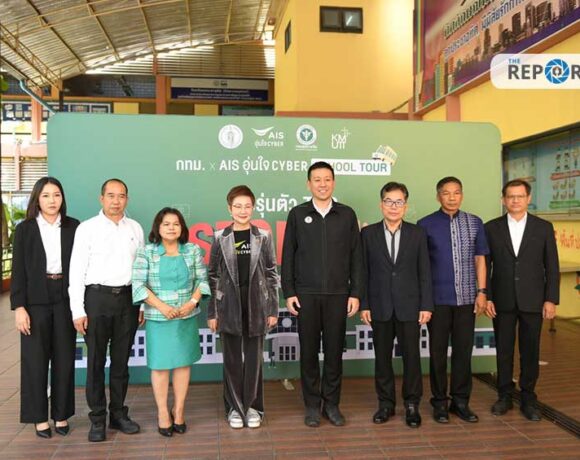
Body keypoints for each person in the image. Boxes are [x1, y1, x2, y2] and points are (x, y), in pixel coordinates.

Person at [281, 161, 363, 427]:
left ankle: (332, 405)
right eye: (317, 179)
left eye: (327, 179)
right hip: (306, 295)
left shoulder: (346, 215)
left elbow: (356, 256)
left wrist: (355, 292)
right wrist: (289, 291)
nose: (322, 184)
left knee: (334, 353)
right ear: (309, 184)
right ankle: (312, 406)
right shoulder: (298, 214)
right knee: (308, 353)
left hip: (338, 295)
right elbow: (288, 255)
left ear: (334, 182)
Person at [68, 178, 145, 442]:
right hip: (96, 299)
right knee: (96, 362)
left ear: (127, 199)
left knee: (121, 363)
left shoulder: (135, 228)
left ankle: (119, 414)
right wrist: (77, 310)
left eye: (121, 196)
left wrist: (142, 303)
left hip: (128, 300)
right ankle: (97, 419)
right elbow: (76, 270)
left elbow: (141, 269)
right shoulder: (87, 229)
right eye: (111, 195)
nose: (116, 201)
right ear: (101, 198)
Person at [10, 177, 79, 438]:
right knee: (35, 360)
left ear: (63, 198)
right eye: (46, 195)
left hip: (65, 297)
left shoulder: (74, 226)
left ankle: (61, 415)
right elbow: (18, 270)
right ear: (37, 199)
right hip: (35, 299)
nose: (52, 200)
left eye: (57, 195)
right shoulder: (25, 229)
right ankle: (38, 417)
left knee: (64, 357)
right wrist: (19, 307)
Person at [485, 179, 559, 421]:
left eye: (520, 196)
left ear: (528, 198)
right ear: (503, 200)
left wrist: (550, 299)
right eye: (510, 196)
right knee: (504, 351)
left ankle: (528, 397)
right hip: (502, 300)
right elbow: (486, 265)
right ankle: (504, 395)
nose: (515, 200)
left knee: (530, 351)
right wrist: (487, 297)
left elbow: (552, 266)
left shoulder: (543, 227)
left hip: (533, 300)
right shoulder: (491, 228)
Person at [360, 182, 433, 428]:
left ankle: (412, 404)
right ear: (381, 204)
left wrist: (426, 305)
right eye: (389, 201)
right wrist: (365, 304)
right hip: (379, 306)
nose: (394, 206)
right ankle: (385, 404)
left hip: (410, 306)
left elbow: (424, 271)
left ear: (405, 206)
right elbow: (363, 272)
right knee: (382, 359)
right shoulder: (368, 234)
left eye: (398, 202)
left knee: (412, 358)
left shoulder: (417, 233)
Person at [132, 207, 210, 436]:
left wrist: (192, 303)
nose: (171, 228)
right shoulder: (146, 252)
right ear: (158, 227)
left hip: (186, 316)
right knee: (160, 366)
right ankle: (162, 413)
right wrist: (162, 307)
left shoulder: (192, 250)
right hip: (158, 317)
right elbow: (138, 285)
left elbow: (203, 280)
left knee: (183, 364)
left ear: (182, 228)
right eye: (166, 224)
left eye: (176, 224)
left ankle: (179, 410)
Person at [417, 177, 488, 424]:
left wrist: (482, 291)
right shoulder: (425, 224)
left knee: (463, 353)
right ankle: (439, 402)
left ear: (462, 195)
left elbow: (480, 259)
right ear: (438, 196)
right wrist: (424, 301)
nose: (451, 197)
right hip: (437, 301)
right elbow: (421, 266)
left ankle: (461, 402)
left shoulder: (475, 222)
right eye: (446, 193)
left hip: (467, 300)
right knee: (437, 354)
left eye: (456, 192)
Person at [207, 186, 279, 429]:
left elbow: (271, 274)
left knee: (254, 360)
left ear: (253, 208)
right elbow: (212, 275)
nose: (242, 211)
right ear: (229, 209)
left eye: (247, 206)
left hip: (257, 304)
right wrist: (213, 312)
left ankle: (253, 407)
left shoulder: (263, 236)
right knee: (232, 360)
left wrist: (272, 309)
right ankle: (235, 409)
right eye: (237, 206)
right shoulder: (220, 237)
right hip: (228, 305)